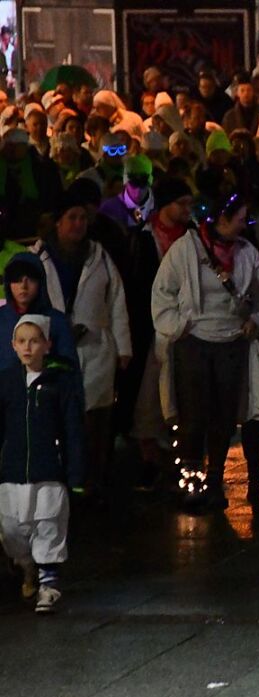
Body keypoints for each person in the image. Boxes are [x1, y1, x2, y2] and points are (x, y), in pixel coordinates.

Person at [151, 193, 259, 509]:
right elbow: (163, 292)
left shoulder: (247, 253)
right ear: (221, 219)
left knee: (224, 417)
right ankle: (191, 482)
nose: (244, 224)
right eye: (240, 218)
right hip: (194, 343)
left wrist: (255, 320)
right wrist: (180, 325)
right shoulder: (185, 250)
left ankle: (215, 481)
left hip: (231, 344)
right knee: (193, 416)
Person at [32, 192, 131, 507]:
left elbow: (115, 301)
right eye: (71, 218)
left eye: (82, 218)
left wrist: (123, 345)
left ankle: (90, 482)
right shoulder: (37, 259)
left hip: (94, 350)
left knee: (93, 422)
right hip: (51, 354)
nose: (78, 224)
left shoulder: (99, 257)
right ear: (58, 221)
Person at [0, 315, 85, 614]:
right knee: (12, 526)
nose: (27, 347)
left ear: (46, 345)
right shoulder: (8, 382)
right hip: (12, 471)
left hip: (49, 469)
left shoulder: (59, 384)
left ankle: (49, 584)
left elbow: (72, 430)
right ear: (13, 345)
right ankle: (27, 566)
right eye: (22, 341)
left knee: (48, 522)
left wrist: (75, 473)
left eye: (34, 341)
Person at [120, 177, 193, 489]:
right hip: (150, 331)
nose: (188, 210)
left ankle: (183, 459)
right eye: (183, 204)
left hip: (185, 330)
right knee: (149, 397)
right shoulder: (144, 238)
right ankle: (150, 460)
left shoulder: (192, 238)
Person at [0, 252, 78, 371]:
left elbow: (71, 372)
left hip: (47, 388)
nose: (23, 286)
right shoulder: (1, 319)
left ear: (41, 282)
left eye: (31, 279)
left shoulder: (57, 322)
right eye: (17, 279)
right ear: (8, 283)